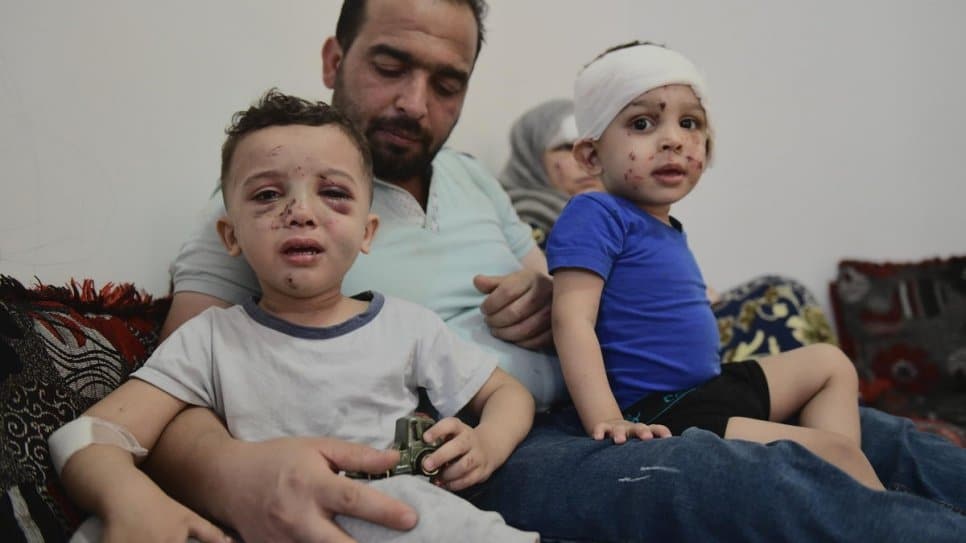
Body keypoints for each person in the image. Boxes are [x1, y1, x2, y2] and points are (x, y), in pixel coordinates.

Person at [147, 1, 966, 541]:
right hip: (497, 451)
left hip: (597, 398)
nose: (414, 103)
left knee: (893, 440)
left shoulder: (469, 176)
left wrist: (547, 292)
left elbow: (557, 277)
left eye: (446, 82)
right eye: (389, 66)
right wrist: (229, 472)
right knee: (751, 480)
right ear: (333, 56)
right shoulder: (270, 210)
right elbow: (181, 385)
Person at [48, 90, 537, 543]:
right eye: (267, 195)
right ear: (231, 236)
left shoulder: (408, 328)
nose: (301, 211)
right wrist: (132, 501)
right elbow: (90, 436)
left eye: (334, 193)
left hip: (393, 517)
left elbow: (507, 393)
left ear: (367, 232)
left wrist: (487, 442)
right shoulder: (210, 340)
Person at [547, 41, 884, 491]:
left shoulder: (667, 227)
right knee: (835, 453)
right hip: (662, 411)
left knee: (830, 363)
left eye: (689, 123)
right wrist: (607, 417)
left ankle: (830, 483)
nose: (673, 139)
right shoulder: (595, 211)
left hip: (708, 386)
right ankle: (849, 487)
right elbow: (571, 319)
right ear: (590, 156)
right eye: (642, 123)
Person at [499, 98, 604, 247]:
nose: (587, 161)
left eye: (594, 147)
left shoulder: (623, 211)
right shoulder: (524, 220)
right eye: (567, 148)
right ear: (531, 159)